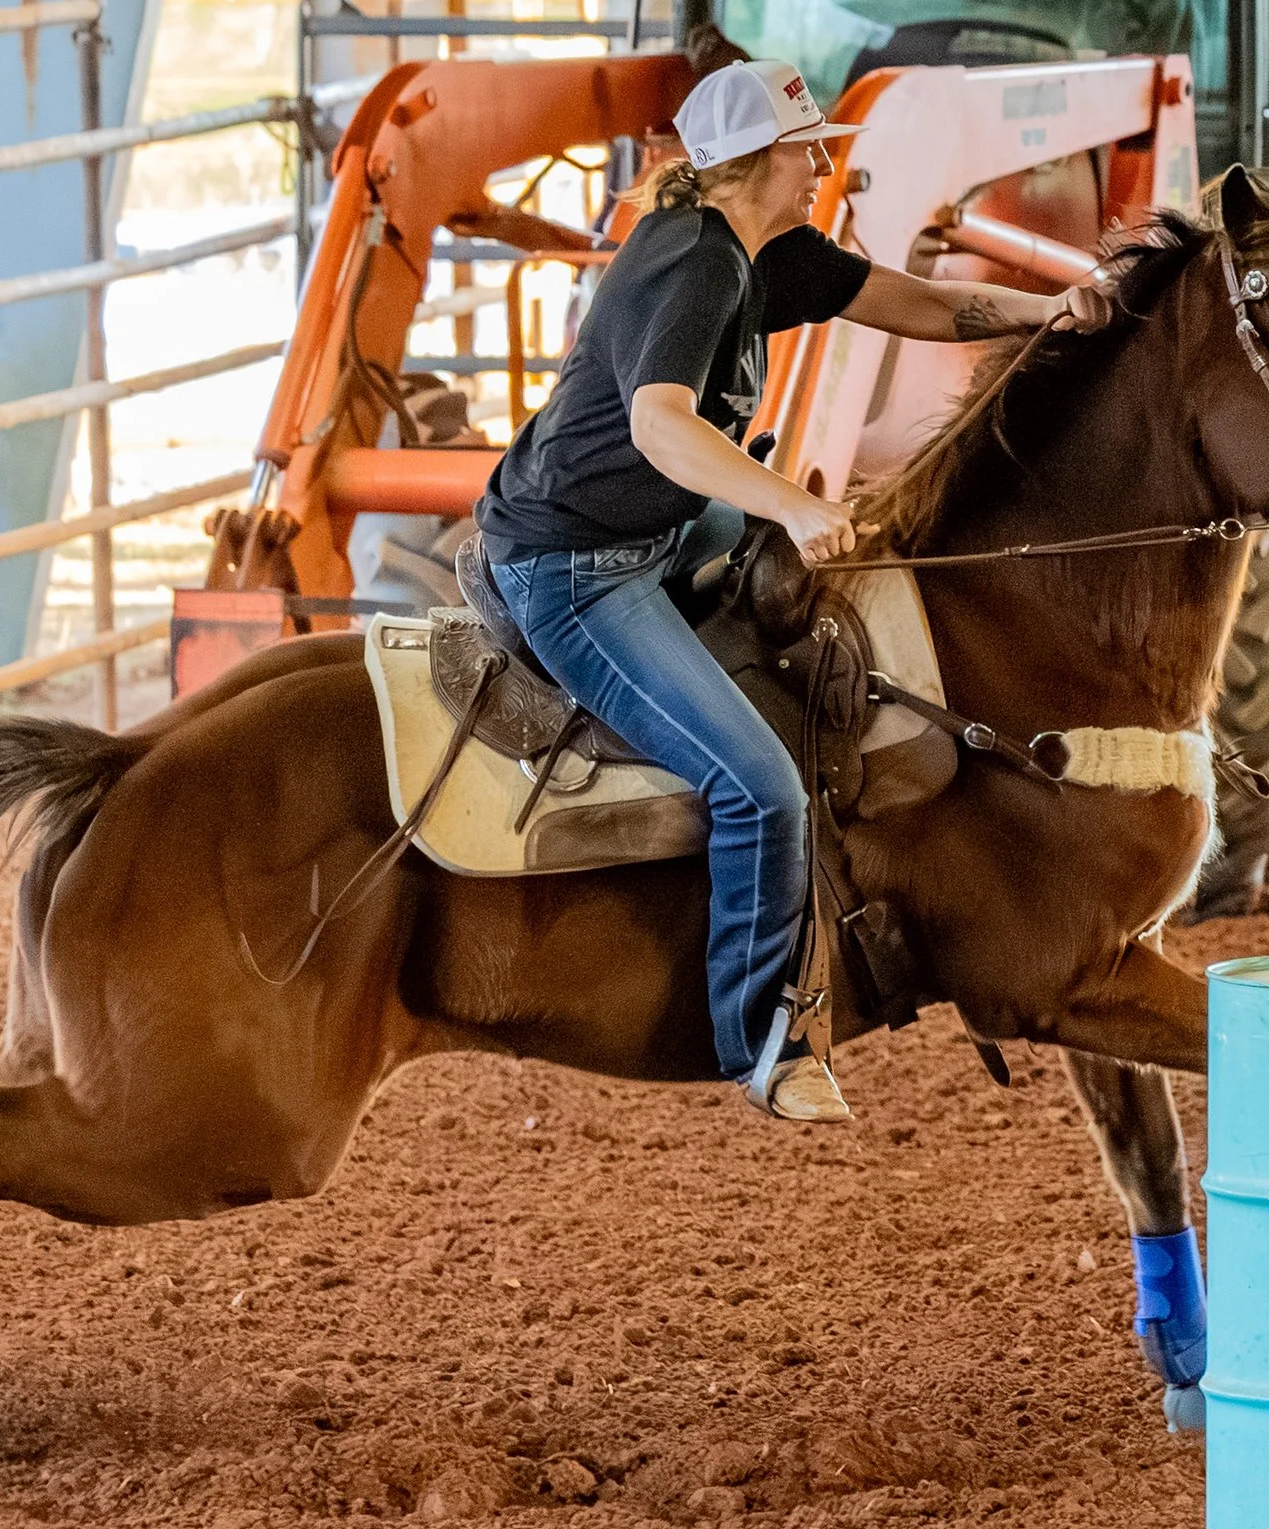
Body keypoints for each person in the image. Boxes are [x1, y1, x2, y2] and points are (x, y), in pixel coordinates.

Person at [474, 59, 1110, 1124]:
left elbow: (924, 303)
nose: (821, 162)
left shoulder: (768, 252)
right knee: (759, 787)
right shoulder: (693, 266)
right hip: (578, 568)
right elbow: (659, 426)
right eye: (805, 147)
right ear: (751, 161)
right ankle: (763, 1040)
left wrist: (1054, 311)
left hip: (661, 526)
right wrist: (790, 504)